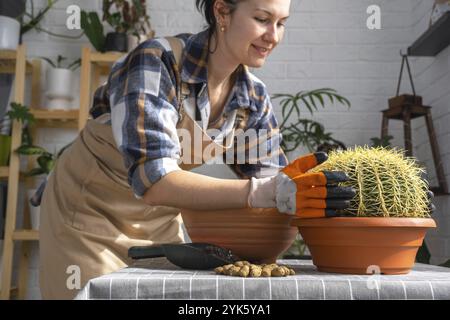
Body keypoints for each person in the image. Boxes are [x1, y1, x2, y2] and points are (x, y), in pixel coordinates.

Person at [38, 0, 355, 299]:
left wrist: (302, 192)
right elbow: (154, 179)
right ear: (222, 12)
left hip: (159, 221)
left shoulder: (252, 97)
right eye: (262, 19)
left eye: (281, 23)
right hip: (89, 214)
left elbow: (273, 182)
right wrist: (263, 191)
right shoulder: (157, 62)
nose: (273, 36)